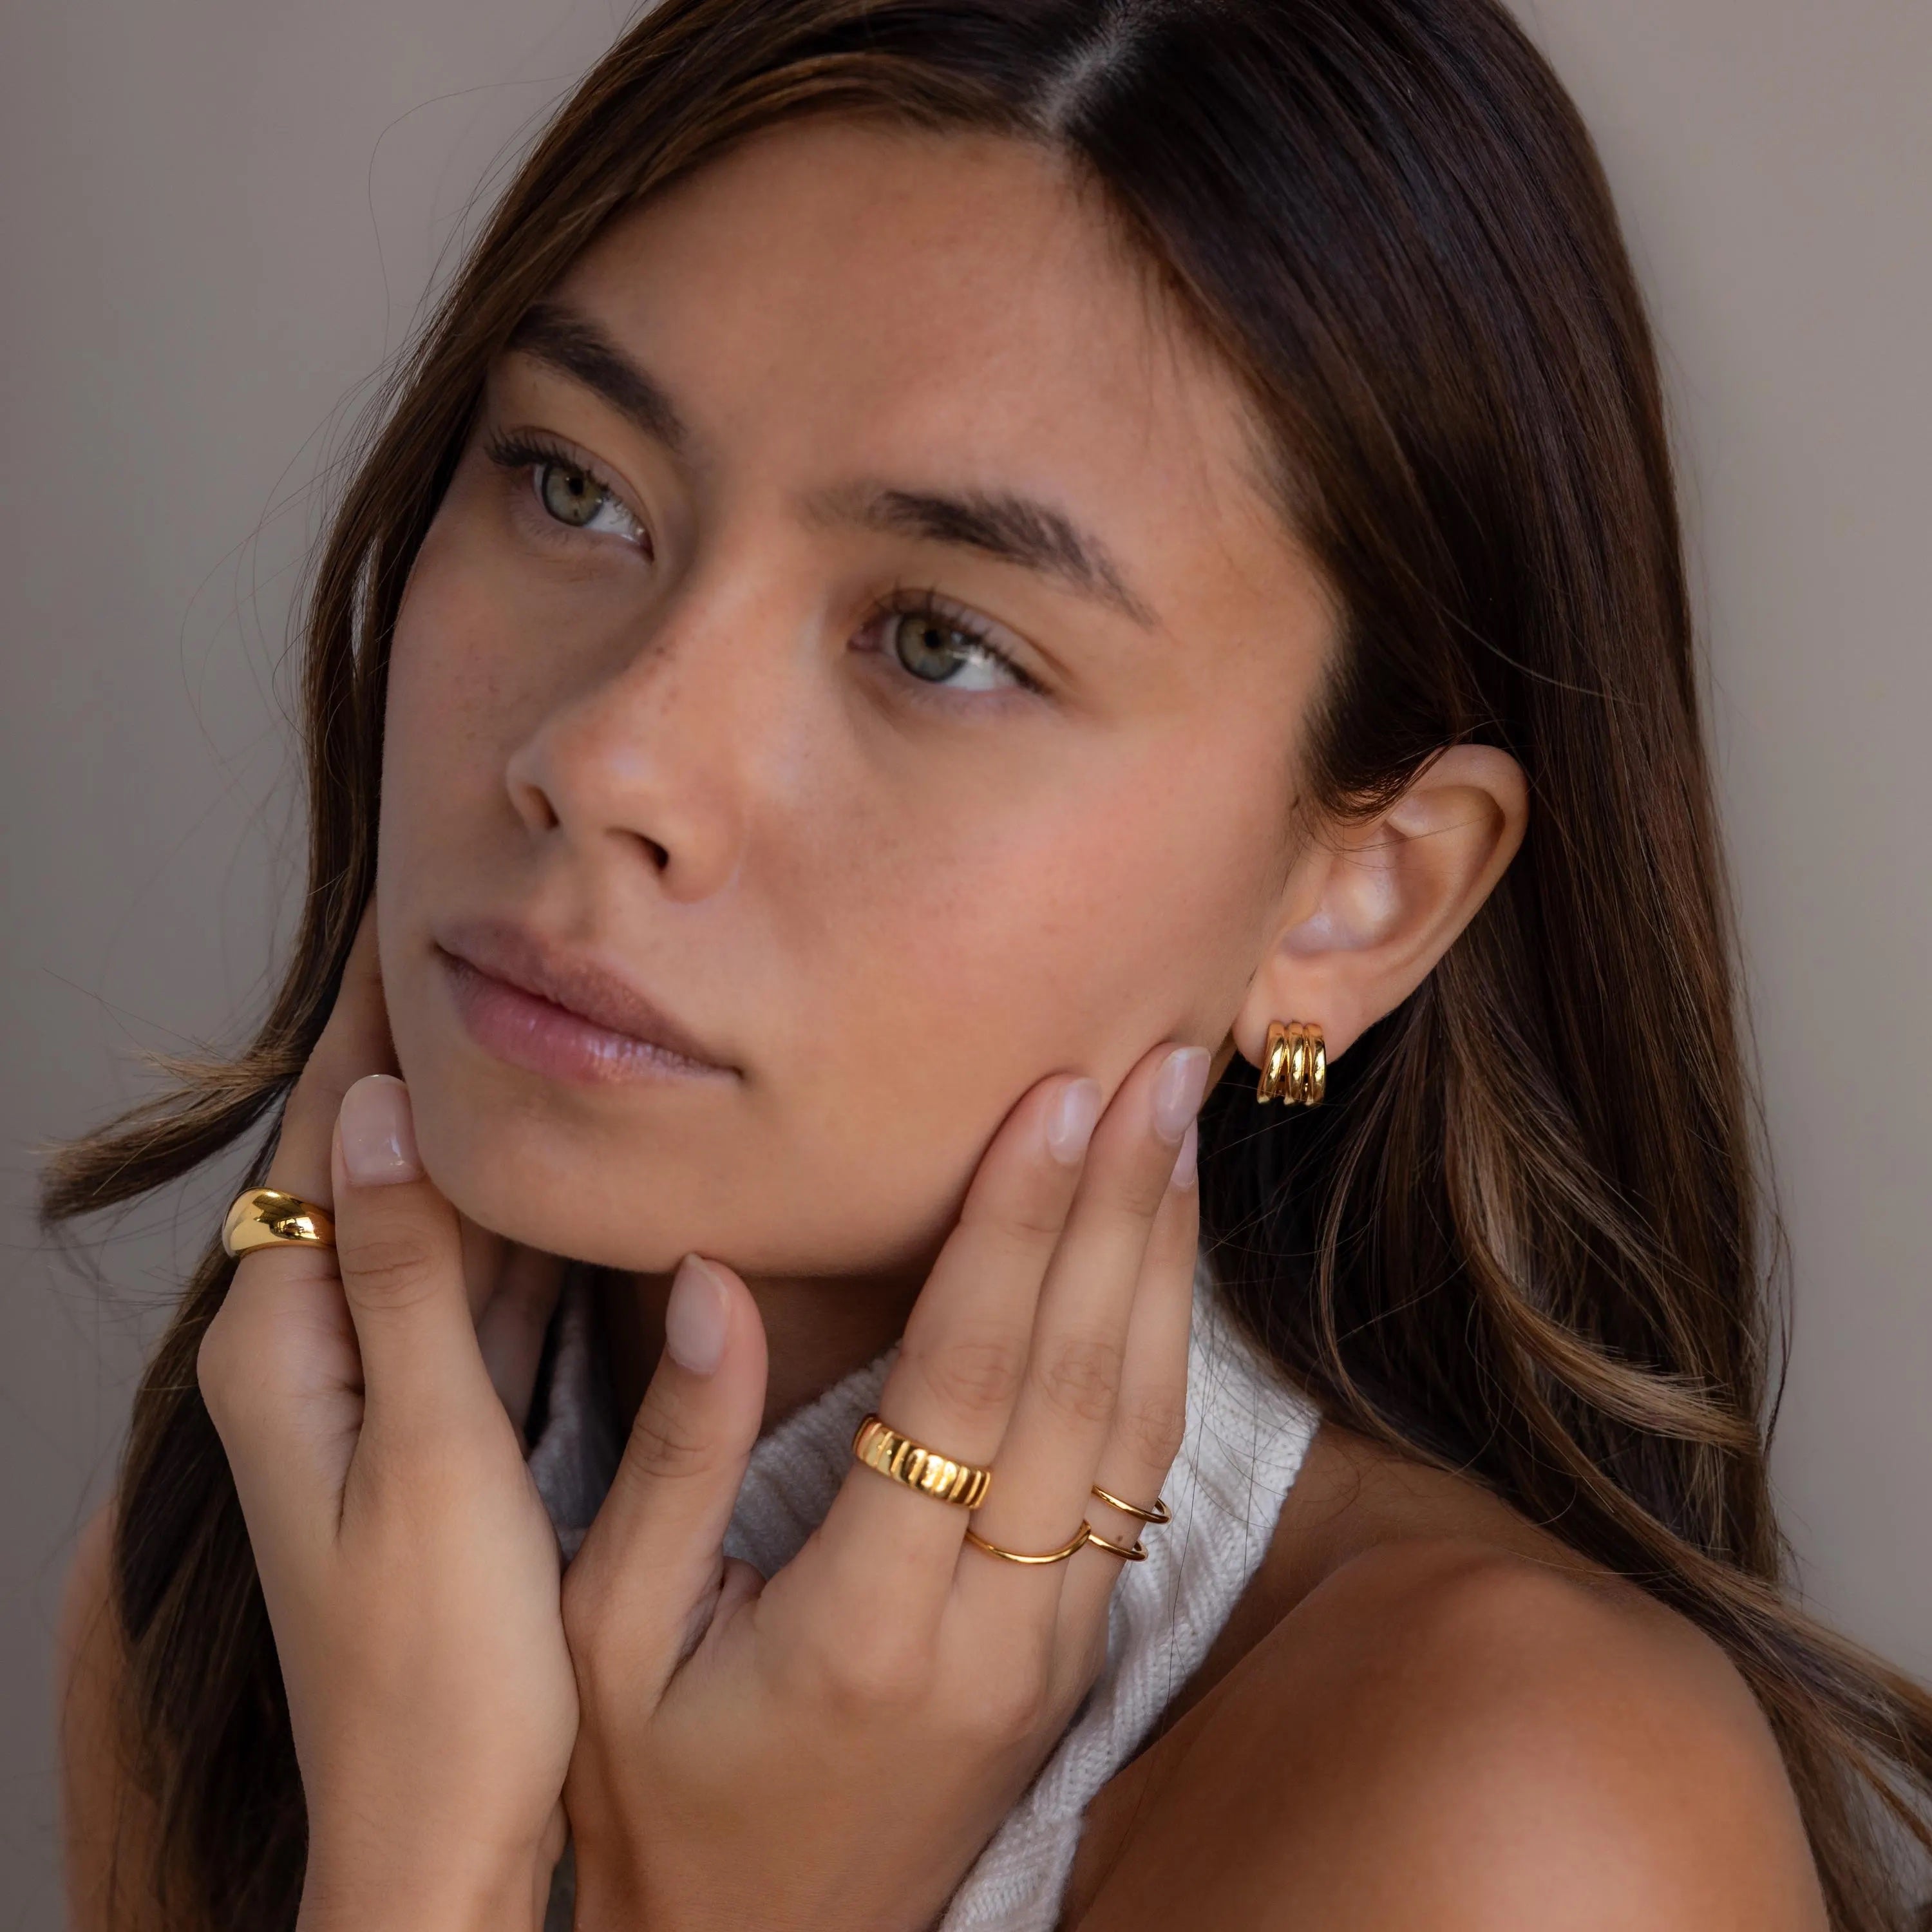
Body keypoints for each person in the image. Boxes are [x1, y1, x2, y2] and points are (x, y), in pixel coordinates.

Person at [47, 0, 1932, 1927]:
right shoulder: (255, 1589)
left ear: (1354, 901)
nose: (602, 759)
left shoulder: (1525, 1816)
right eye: (573, 486)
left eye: (942, 642)